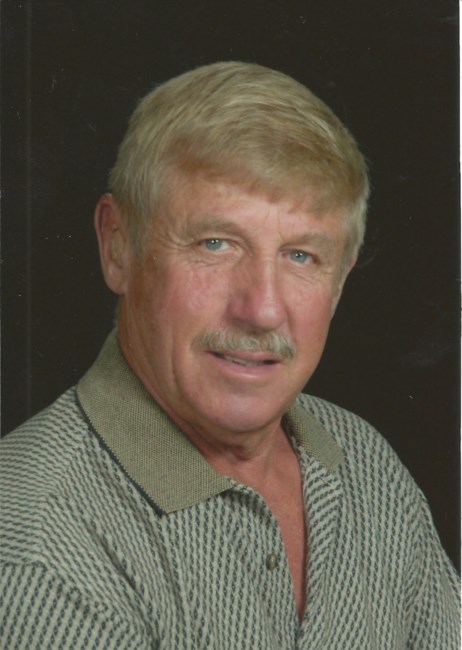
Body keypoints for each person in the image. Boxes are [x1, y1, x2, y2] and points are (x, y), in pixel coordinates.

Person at [0, 61, 459, 649]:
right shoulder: (38, 550)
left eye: (301, 256)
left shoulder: (368, 466)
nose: (262, 309)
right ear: (118, 247)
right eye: (215, 243)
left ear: (341, 279)